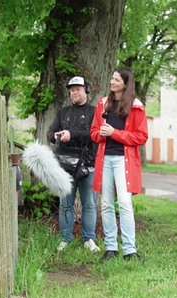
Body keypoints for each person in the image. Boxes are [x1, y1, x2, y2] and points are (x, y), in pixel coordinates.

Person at [90, 67, 148, 263]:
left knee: (124, 203)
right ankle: (111, 247)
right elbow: (94, 132)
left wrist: (114, 133)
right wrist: (101, 134)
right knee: (106, 204)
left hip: (124, 161)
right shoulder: (102, 104)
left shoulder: (136, 106)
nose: (112, 82)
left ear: (125, 83)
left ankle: (130, 250)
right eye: (112, 78)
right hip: (104, 159)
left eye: (116, 79)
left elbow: (141, 137)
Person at [47, 76, 100, 253]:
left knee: (89, 204)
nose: (73, 92)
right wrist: (56, 136)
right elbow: (50, 133)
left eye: (77, 88)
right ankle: (65, 239)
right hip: (65, 166)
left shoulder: (94, 112)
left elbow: (95, 135)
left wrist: (72, 134)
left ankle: (89, 239)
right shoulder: (63, 112)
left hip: (87, 164)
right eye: (71, 89)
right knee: (65, 204)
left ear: (86, 90)